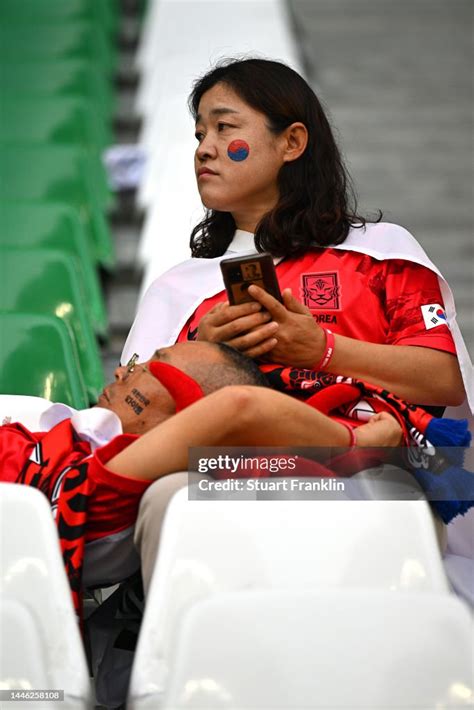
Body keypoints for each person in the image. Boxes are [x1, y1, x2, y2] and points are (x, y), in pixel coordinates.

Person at [121, 57, 471, 413]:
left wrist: (323, 350)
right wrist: (201, 353)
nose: (203, 149)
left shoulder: (384, 254)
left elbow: (444, 381)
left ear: (292, 142)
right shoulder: (176, 290)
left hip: (372, 468)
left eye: (224, 127)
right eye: (200, 134)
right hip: (218, 468)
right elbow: (124, 414)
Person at [1, 340, 406, 606]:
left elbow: (239, 406)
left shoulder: (102, 478)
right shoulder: (72, 440)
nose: (123, 371)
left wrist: (353, 442)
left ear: (192, 412)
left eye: (152, 367)